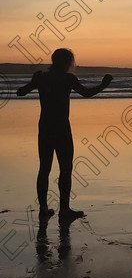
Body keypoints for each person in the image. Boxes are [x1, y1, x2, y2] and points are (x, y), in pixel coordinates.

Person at [16, 48, 113, 221]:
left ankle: (43, 208)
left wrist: (33, 81)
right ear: (67, 62)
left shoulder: (41, 78)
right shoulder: (68, 79)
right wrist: (103, 85)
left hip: (45, 127)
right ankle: (64, 209)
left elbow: (20, 92)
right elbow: (87, 93)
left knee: (44, 168)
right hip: (61, 127)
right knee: (66, 168)